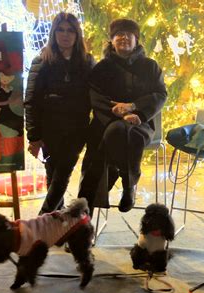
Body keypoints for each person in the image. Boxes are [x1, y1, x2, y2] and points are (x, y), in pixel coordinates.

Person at [78, 19, 167, 214]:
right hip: (106, 121)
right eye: (119, 34)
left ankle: (84, 216)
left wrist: (136, 110)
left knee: (124, 134)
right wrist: (117, 112)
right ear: (112, 40)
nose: (124, 38)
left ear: (136, 39)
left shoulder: (150, 66)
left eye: (129, 34)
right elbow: (96, 96)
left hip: (140, 123)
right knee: (114, 134)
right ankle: (129, 182)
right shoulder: (101, 68)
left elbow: (160, 94)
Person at [25, 12, 95, 214]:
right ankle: (56, 219)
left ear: (77, 34)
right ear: (54, 33)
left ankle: (43, 218)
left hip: (76, 129)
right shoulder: (42, 60)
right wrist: (34, 136)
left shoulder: (87, 62)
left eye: (70, 30)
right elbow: (31, 100)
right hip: (48, 129)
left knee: (63, 172)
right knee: (52, 171)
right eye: (61, 30)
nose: (65, 35)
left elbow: (96, 94)